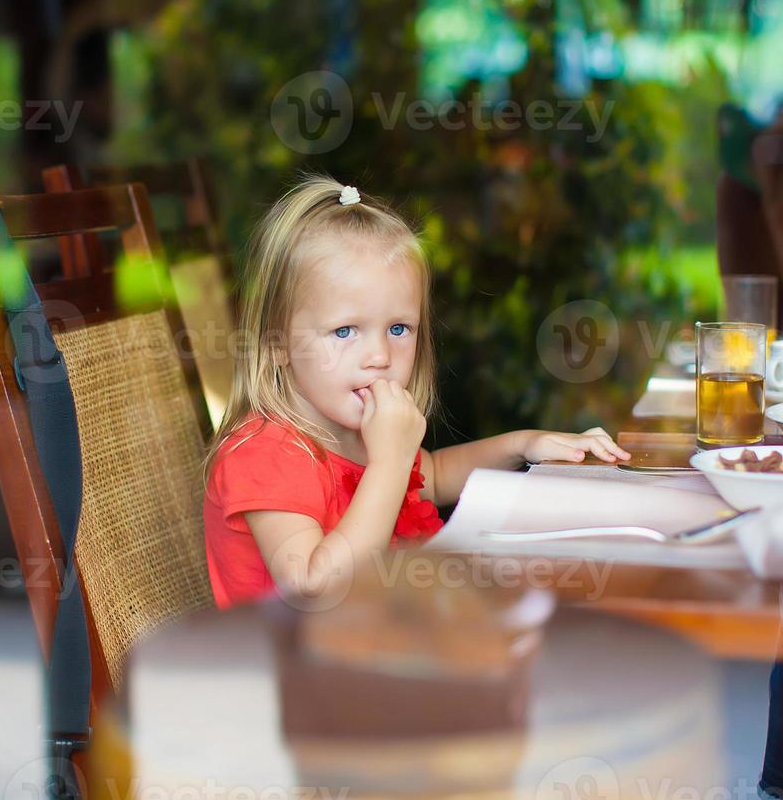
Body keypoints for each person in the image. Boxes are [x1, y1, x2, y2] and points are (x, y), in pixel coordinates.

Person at [202, 175, 629, 609]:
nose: (379, 355)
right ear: (277, 344)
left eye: (398, 328)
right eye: (345, 330)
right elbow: (314, 587)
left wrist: (524, 444)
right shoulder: (263, 454)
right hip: (294, 669)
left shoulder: (355, 430)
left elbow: (437, 475)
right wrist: (388, 462)